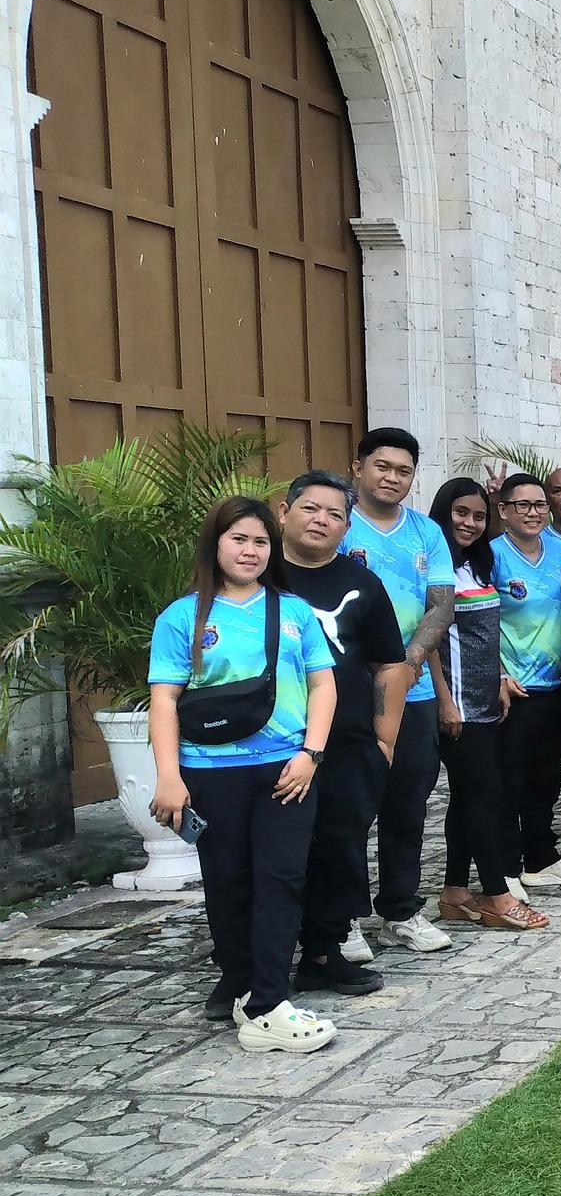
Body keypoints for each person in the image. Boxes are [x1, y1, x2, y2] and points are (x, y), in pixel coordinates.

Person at [146, 498, 338, 1052]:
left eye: (259, 542)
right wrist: (168, 776)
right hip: (209, 771)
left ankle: (267, 1005)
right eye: (238, 539)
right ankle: (240, 981)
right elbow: (165, 701)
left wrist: (311, 754)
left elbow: (324, 685)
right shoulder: (183, 617)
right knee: (228, 885)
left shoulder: (294, 611)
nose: (249, 551)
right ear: (216, 544)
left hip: (286, 769)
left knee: (281, 879)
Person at [277, 470, 406, 995]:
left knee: (340, 849)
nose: (321, 520)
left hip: (349, 743)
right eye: (310, 508)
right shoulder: (259, 576)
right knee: (276, 853)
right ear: (283, 512)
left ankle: (324, 953)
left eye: (334, 514)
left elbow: (388, 665)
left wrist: (385, 741)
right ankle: (250, 961)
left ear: (346, 526)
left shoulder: (361, 583)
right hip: (272, 741)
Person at [342, 428, 456, 954]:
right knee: (346, 808)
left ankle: (401, 910)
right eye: (382, 466)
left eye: (403, 470)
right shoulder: (337, 526)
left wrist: (407, 665)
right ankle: (342, 918)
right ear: (358, 466)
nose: (392, 478)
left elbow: (440, 604)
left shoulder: (426, 532)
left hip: (411, 691)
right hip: (343, 690)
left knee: (407, 804)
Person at [427, 478, 547, 931]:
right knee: (484, 795)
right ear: (443, 512)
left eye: (479, 515)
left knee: (469, 796)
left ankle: (456, 892)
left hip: (485, 700)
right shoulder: (435, 570)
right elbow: (432, 640)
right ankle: (497, 894)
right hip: (454, 703)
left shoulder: (479, 565)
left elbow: (483, 635)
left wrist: (498, 676)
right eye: (461, 513)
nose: (470, 523)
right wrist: (444, 701)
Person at [490, 473, 561, 892]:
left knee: (546, 778)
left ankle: (541, 857)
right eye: (523, 505)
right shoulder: (490, 556)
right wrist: (495, 673)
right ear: (504, 510)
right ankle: (506, 867)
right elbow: (474, 621)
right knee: (509, 781)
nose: (533, 513)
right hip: (511, 689)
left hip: (556, 686)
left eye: (539, 505)